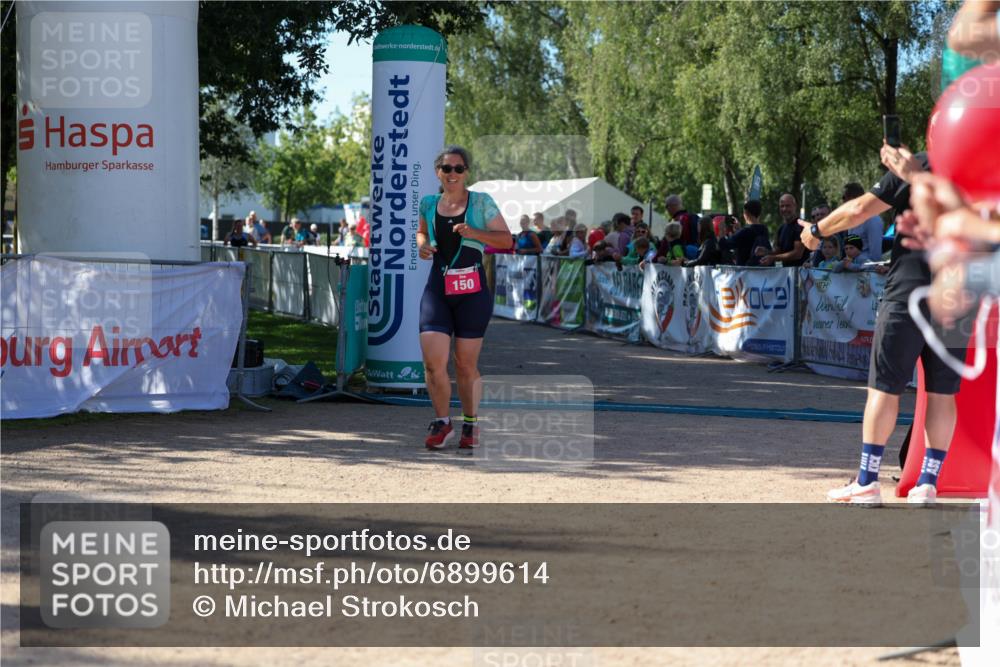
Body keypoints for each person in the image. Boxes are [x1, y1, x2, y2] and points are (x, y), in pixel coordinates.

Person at [800, 144, 968, 506]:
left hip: (908, 289)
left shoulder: (920, 163)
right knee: (942, 393)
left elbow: (859, 209)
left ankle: (868, 480)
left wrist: (817, 230)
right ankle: (927, 483)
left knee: (884, 389)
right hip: (957, 291)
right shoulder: (985, 170)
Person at [417, 145, 511, 450]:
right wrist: (422, 245)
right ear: (438, 173)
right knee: (433, 363)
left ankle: (470, 424)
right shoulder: (429, 203)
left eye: (459, 169)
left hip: (472, 293)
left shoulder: (481, 203)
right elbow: (421, 233)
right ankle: (443, 423)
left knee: (465, 365)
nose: (453, 174)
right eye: (447, 169)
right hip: (438, 290)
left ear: (466, 172)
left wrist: (474, 232)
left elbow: (506, 239)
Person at [759, 194, 807, 267]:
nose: (784, 209)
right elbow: (779, 251)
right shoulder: (781, 228)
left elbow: (797, 254)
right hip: (787, 274)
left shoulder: (801, 225)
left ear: (795, 206)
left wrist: (773, 258)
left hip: (802, 274)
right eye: (782, 206)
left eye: (788, 206)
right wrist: (766, 252)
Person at [843, 182, 885, 263]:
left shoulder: (872, 219)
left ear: (853, 199)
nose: (843, 202)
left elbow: (875, 256)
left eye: (844, 198)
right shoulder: (851, 220)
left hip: (867, 272)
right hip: (853, 270)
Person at [719, 200, 771, 266]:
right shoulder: (764, 230)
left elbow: (724, 245)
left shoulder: (745, 231)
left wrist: (721, 230)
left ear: (746, 213)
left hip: (745, 271)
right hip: (760, 271)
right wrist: (738, 230)